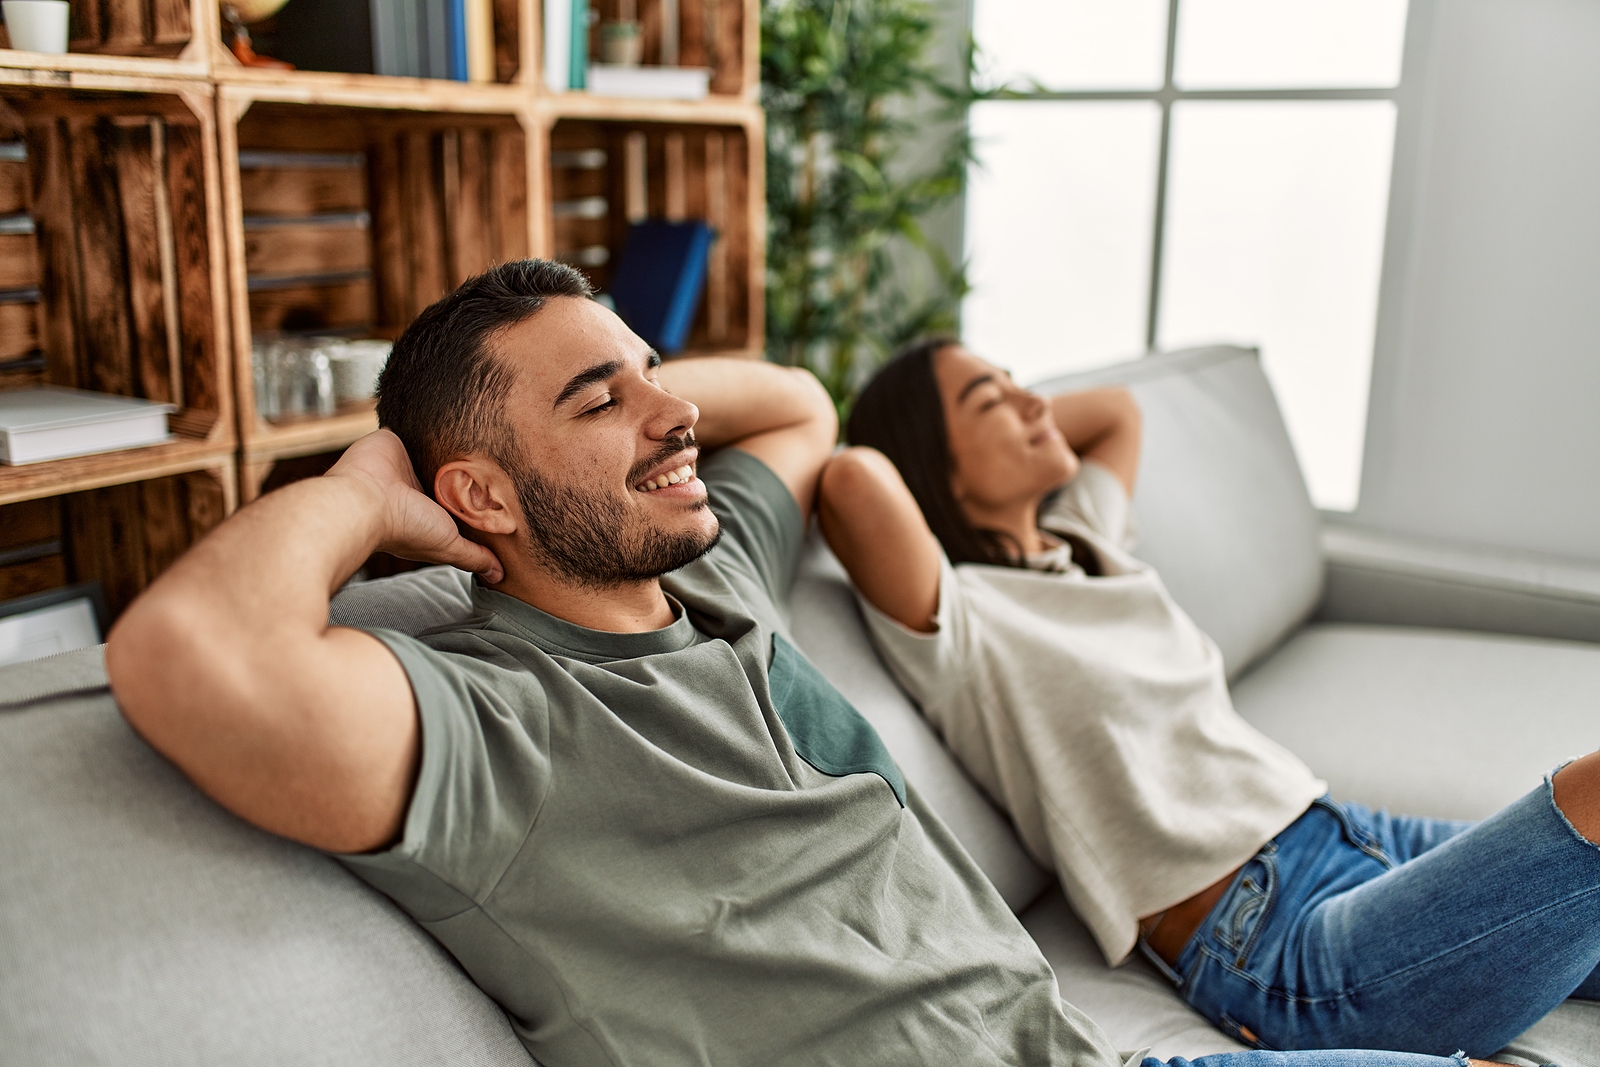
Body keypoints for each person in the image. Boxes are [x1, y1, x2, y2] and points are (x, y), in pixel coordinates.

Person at [107, 260, 1510, 1067]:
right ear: (474, 495)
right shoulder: (487, 725)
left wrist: (626, 394)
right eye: (603, 399)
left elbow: (799, 406)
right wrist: (366, 484)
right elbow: (181, 652)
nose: (674, 416)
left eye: (657, 371)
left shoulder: (716, 572)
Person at [818, 336, 1600, 1059]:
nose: (1031, 404)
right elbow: (855, 481)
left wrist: (1008, 410)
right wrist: (930, 433)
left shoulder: (1085, 541)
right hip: (1278, 940)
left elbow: (1119, 412)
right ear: (934, 462)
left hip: (1353, 831)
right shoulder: (960, 620)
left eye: (1024, 387)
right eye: (991, 401)